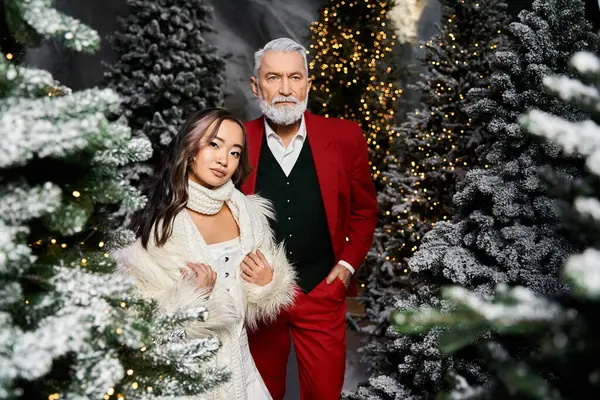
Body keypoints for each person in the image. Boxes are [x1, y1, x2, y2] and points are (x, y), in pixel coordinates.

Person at [113, 108, 297, 400]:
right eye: (214, 144)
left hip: (240, 366)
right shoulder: (161, 223)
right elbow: (135, 316)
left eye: (235, 152)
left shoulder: (247, 212)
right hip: (188, 374)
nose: (224, 159)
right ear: (190, 146)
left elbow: (250, 298)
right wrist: (189, 298)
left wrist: (265, 282)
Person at [241, 38, 379, 400]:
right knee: (256, 394)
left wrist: (347, 266)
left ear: (308, 84)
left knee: (323, 395)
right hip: (257, 298)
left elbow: (365, 210)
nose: (285, 89)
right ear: (256, 86)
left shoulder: (345, 137)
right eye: (273, 77)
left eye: (294, 77)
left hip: (321, 290)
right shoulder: (236, 141)